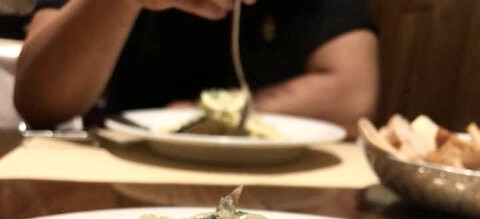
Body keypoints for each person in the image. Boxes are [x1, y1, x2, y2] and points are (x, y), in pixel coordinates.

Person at [14, 0, 379, 138]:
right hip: (120, 173)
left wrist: (207, 115)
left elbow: (353, 93)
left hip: (291, 186)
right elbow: (39, 101)